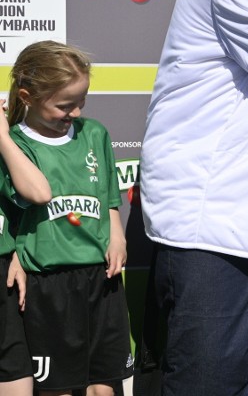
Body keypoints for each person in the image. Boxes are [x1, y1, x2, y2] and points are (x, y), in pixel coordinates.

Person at [5, 41, 133, 396]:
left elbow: (108, 197)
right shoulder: (14, 144)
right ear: (28, 97)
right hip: (51, 284)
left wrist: (117, 235)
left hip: (102, 280)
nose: (76, 112)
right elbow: (15, 212)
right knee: (60, 388)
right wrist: (18, 253)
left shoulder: (94, 134)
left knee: (104, 385)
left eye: (82, 101)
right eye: (64, 105)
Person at [0, 95, 53, 396]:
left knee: (16, 375)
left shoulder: (6, 150)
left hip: (5, 276)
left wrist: (3, 139)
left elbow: (40, 192)